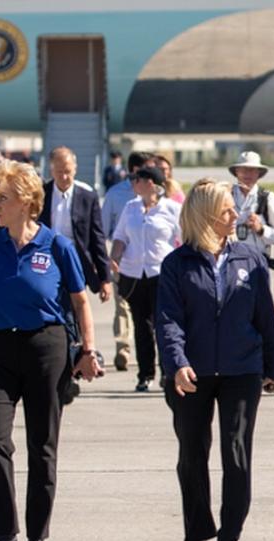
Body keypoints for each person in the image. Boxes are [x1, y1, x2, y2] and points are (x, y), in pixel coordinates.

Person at [0, 160, 104, 541]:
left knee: (42, 445)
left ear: (26, 202)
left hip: (45, 349)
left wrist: (87, 350)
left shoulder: (56, 246)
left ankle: (37, 537)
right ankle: (6, 536)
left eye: (3, 198)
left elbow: (80, 301)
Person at [157, 178, 274, 541]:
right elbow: (167, 320)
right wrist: (177, 362)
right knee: (191, 456)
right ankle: (197, 529)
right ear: (205, 215)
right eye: (227, 209)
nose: (236, 215)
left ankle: (229, 540)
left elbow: (265, 315)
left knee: (236, 453)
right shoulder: (176, 264)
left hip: (241, 370)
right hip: (191, 373)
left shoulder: (250, 257)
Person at [40, 147, 112, 403]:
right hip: (46, 265)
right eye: (59, 172)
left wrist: (104, 278)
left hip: (76, 265)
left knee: (75, 317)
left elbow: (97, 238)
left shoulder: (86, 195)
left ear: (75, 169)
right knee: (58, 316)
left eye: (68, 172)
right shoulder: (42, 194)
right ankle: (64, 371)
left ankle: (74, 366)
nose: (64, 177)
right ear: (51, 170)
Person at [111, 166, 182, 393]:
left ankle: (168, 371)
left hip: (161, 274)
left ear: (151, 183)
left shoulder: (171, 209)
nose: (133, 183)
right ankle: (145, 375)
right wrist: (114, 259)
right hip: (134, 275)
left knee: (163, 325)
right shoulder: (130, 208)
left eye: (137, 179)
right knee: (142, 327)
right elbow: (120, 237)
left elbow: (185, 238)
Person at [103, 151, 157, 372]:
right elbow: (107, 229)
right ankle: (123, 349)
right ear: (136, 172)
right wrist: (112, 257)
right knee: (124, 309)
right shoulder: (117, 196)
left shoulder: (166, 204)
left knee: (152, 318)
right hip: (125, 266)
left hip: (154, 270)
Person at [228, 151, 274, 262]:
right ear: (237, 171)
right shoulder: (224, 196)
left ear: (258, 173)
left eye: (252, 170)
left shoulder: (269, 198)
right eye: (244, 169)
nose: (248, 174)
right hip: (229, 261)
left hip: (257, 262)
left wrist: (261, 230)